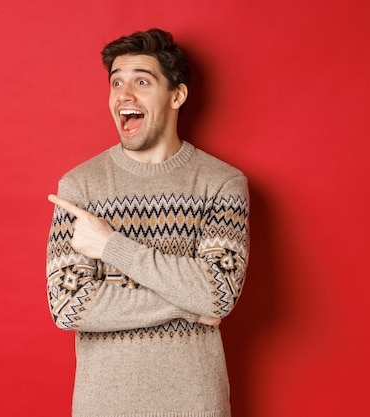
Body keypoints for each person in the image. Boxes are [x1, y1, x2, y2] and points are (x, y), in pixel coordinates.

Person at [46, 28, 250, 417]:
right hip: (102, 406)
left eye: (142, 81)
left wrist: (110, 246)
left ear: (177, 95)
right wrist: (189, 305)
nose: (124, 95)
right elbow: (69, 306)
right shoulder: (80, 186)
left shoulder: (221, 183)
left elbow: (217, 293)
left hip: (195, 405)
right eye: (116, 82)